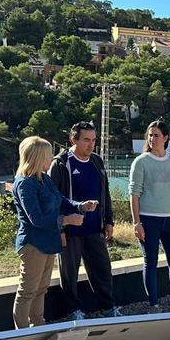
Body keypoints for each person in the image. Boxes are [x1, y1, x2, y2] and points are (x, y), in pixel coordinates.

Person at [11, 136, 96, 329]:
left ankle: (38, 324)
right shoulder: (24, 184)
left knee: (41, 289)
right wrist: (67, 220)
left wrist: (81, 206)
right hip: (33, 244)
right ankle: (21, 332)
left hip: (48, 243)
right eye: (49, 155)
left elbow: (62, 200)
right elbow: (36, 218)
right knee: (27, 291)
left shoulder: (44, 179)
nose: (52, 158)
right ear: (38, 157)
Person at [48, 121, 120, 321]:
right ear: (74, 140)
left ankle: (108, 307)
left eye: (94, 140)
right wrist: (60, 228)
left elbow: (105, 194)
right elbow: (53, 200)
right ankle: (73, 310)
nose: (91, 145)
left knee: (102, 269)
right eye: (86, 140)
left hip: (94, 227)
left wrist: (109, 220)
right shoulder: (61, 163)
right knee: (69, 274)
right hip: (70, 229)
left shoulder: (97, 162)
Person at [129, 119, 170, 312]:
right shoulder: (141, 162)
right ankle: (154, 304)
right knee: (151, 263)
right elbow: (134, 193)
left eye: (156, 135)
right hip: (148, 219)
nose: (152, 138)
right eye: (150, 135)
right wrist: (136, 222)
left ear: (165, 138)